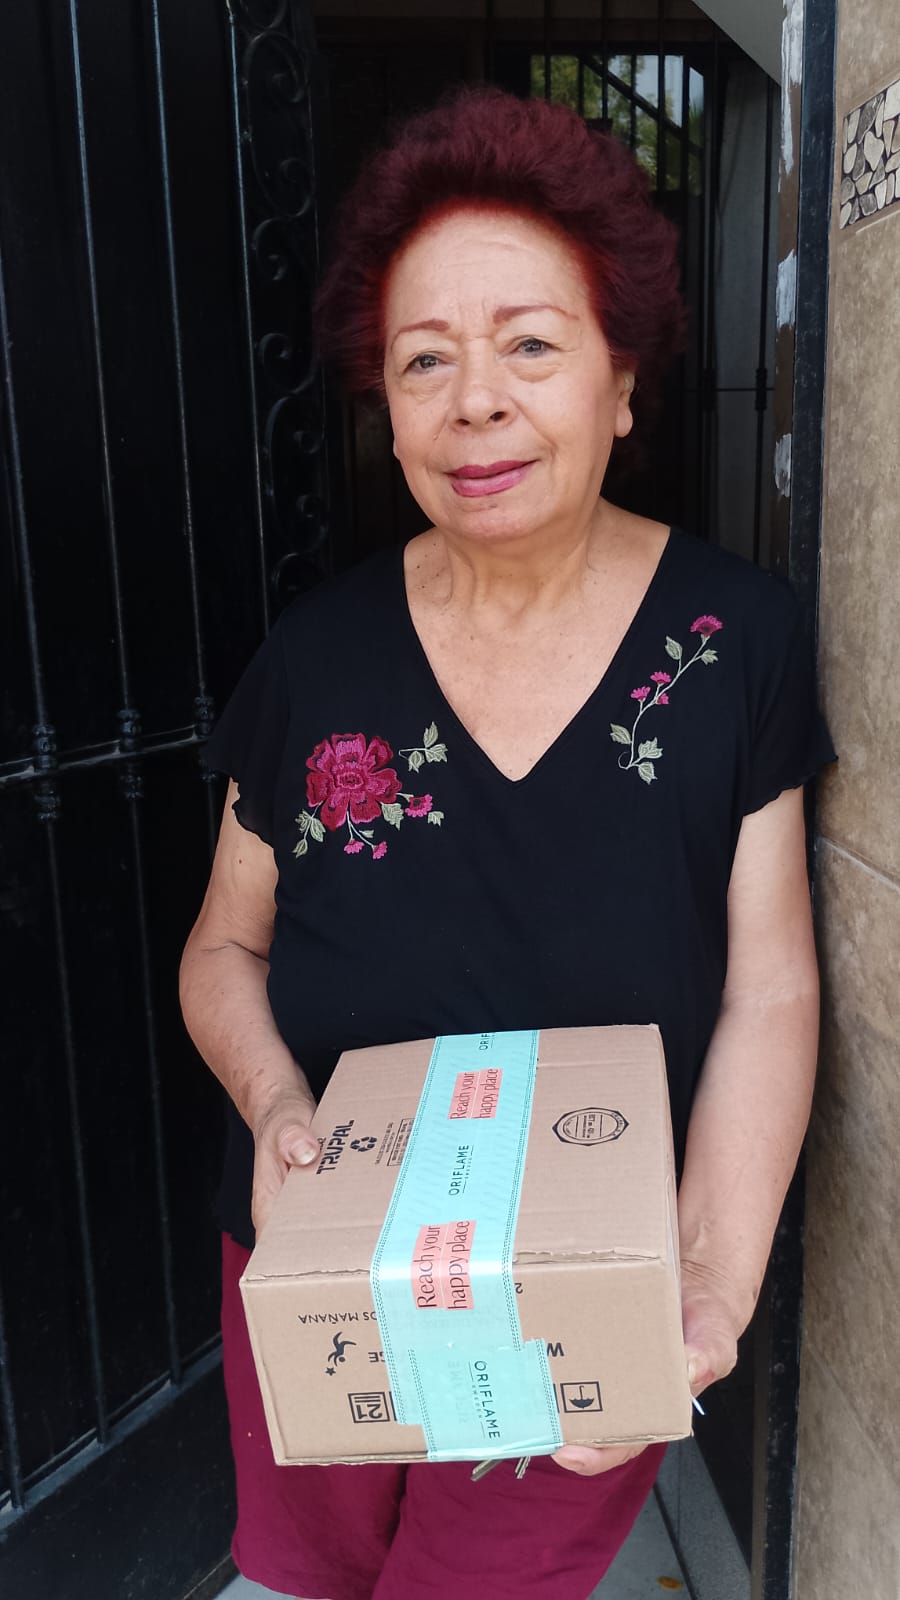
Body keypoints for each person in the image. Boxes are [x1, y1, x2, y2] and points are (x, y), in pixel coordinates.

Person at [180, 87, 835, 1600]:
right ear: (387, 405)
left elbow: (772, 988)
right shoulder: (315, 660)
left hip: (582, 1283)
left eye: (529, 344)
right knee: (312, 1582)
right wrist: (276, 1106)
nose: (474, 401)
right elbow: (222, 945)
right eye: (426, 360)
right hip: (322, 1256)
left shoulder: (735, 642)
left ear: (622, 382)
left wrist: (709, 1281)